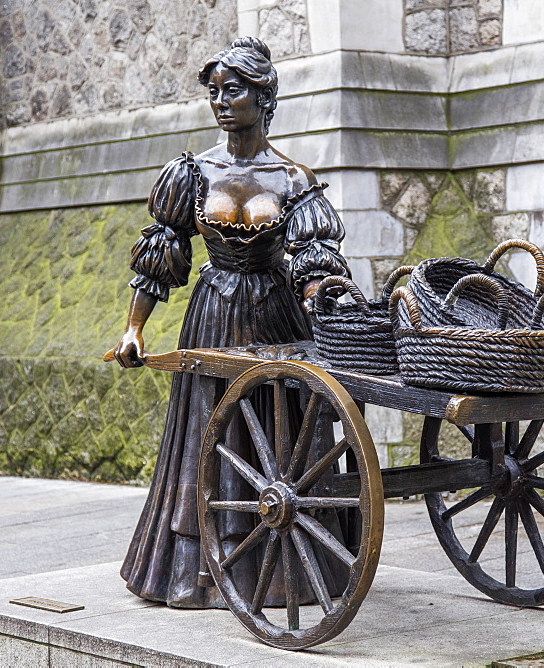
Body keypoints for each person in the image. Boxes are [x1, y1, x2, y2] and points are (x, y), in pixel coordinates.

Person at [113, 37, 351, 608]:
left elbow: (314, 262)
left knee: (278, 433)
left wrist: (328, 302)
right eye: (214, 91)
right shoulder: (193, 172)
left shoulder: (294, 177)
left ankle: (279, 566)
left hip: (275, 314)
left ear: (264, 96)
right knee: (209, 430)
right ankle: (201, 571)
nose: (221, 101)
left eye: (234, 90)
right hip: (214, 312)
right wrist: (133, 328)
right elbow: (163, 253)